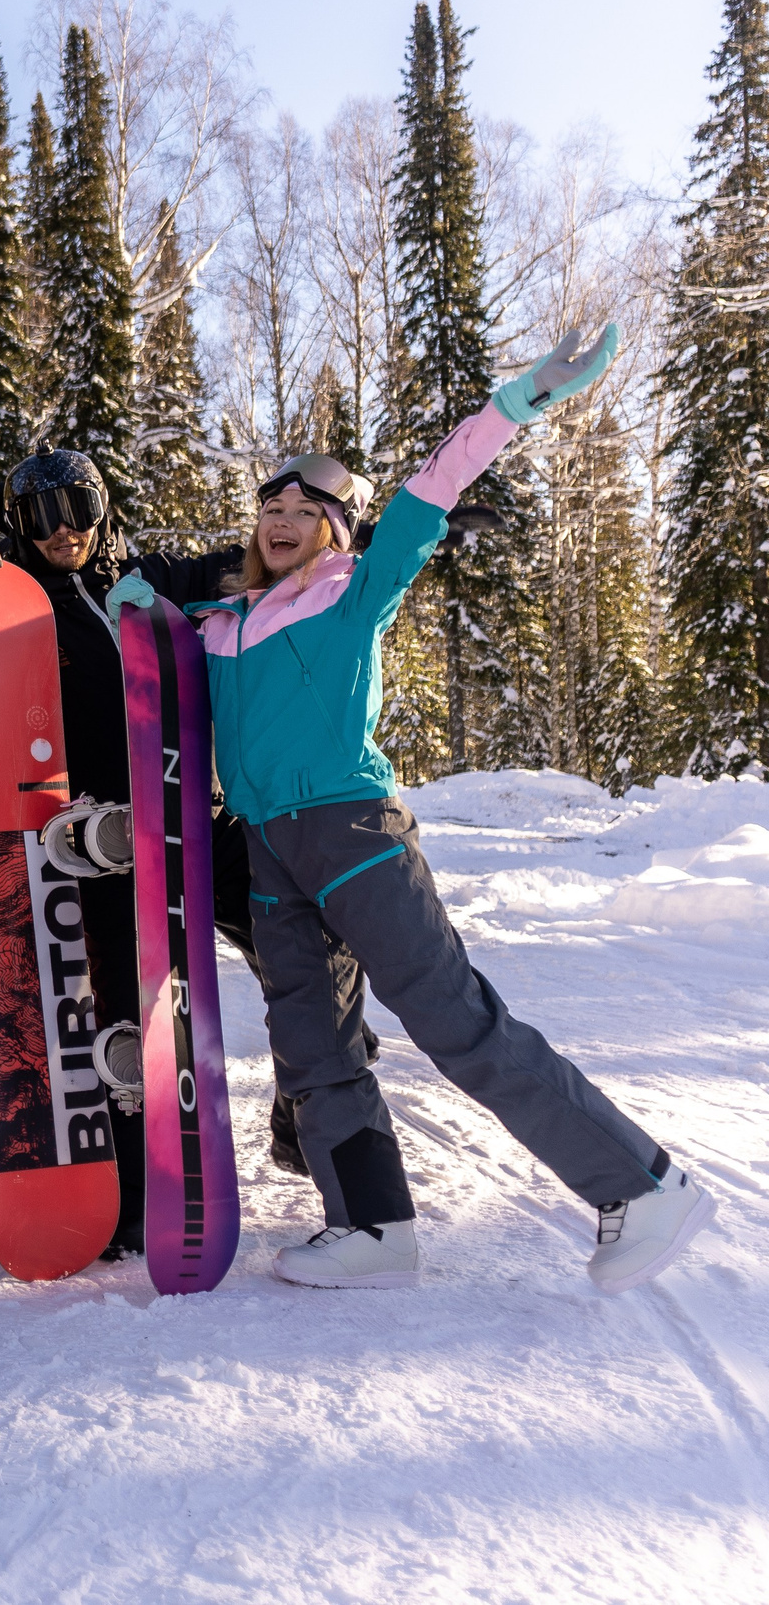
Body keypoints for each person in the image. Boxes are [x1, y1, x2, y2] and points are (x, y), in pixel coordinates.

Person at [115, 324, 713, 1293]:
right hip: (267, 850)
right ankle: (371, 1226)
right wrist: (140, 604)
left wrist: (518, 400)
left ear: (339, 531)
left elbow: (427, 494)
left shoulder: (353, 594)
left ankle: (643, 1185)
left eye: (307, 509)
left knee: (451, 1019)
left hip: (352, 832)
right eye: (270, 505)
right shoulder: (221, 624)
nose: (281, 519)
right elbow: (150, 649)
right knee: (310, 1041)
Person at [0, 451, 260, 1257]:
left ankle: (303, 1102)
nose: (64, 531)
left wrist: (350, 532)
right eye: (41, 517)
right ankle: (129, 1189)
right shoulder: (20, 610)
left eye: (78, 508)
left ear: (104, 507)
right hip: (95, 844)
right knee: (120, 1006)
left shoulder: (152, 583)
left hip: (187, 819)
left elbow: (266, 564)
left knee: (280, 949)